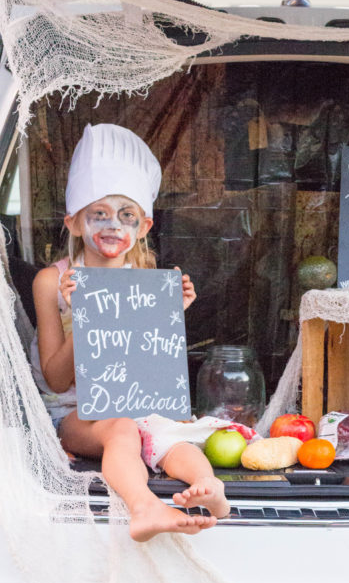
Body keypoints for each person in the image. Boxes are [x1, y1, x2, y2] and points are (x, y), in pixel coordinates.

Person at [32, 123, 230, 541]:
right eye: (98, 213)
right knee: (121, 430)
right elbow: (55, 378)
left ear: (143, 226)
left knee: (168, 436)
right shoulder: (52, 282)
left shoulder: (144, 278)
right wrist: (87, 318)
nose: (112, 225)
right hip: (76, 414)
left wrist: (172, 315)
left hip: (135, 404)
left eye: (126, 215)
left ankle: (213, 489)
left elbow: (149, 368)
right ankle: (143, 508)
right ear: (73, 222)